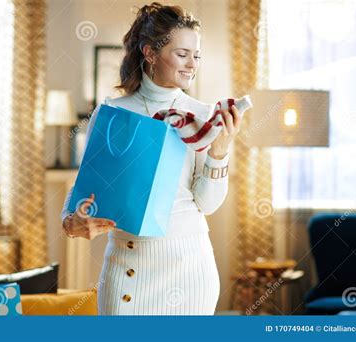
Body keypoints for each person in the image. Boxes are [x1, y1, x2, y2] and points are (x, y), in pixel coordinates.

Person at [61, 2, 242, 315]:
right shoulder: (112, 114)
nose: (191, 64)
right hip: (126, 266)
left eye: (196, 55)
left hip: (188, 268)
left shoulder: (203, 116)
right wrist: (73, 221)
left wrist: (220, 150)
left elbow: (208, 204)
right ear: (149, 53)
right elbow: (82, 191)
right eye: (182, 54)